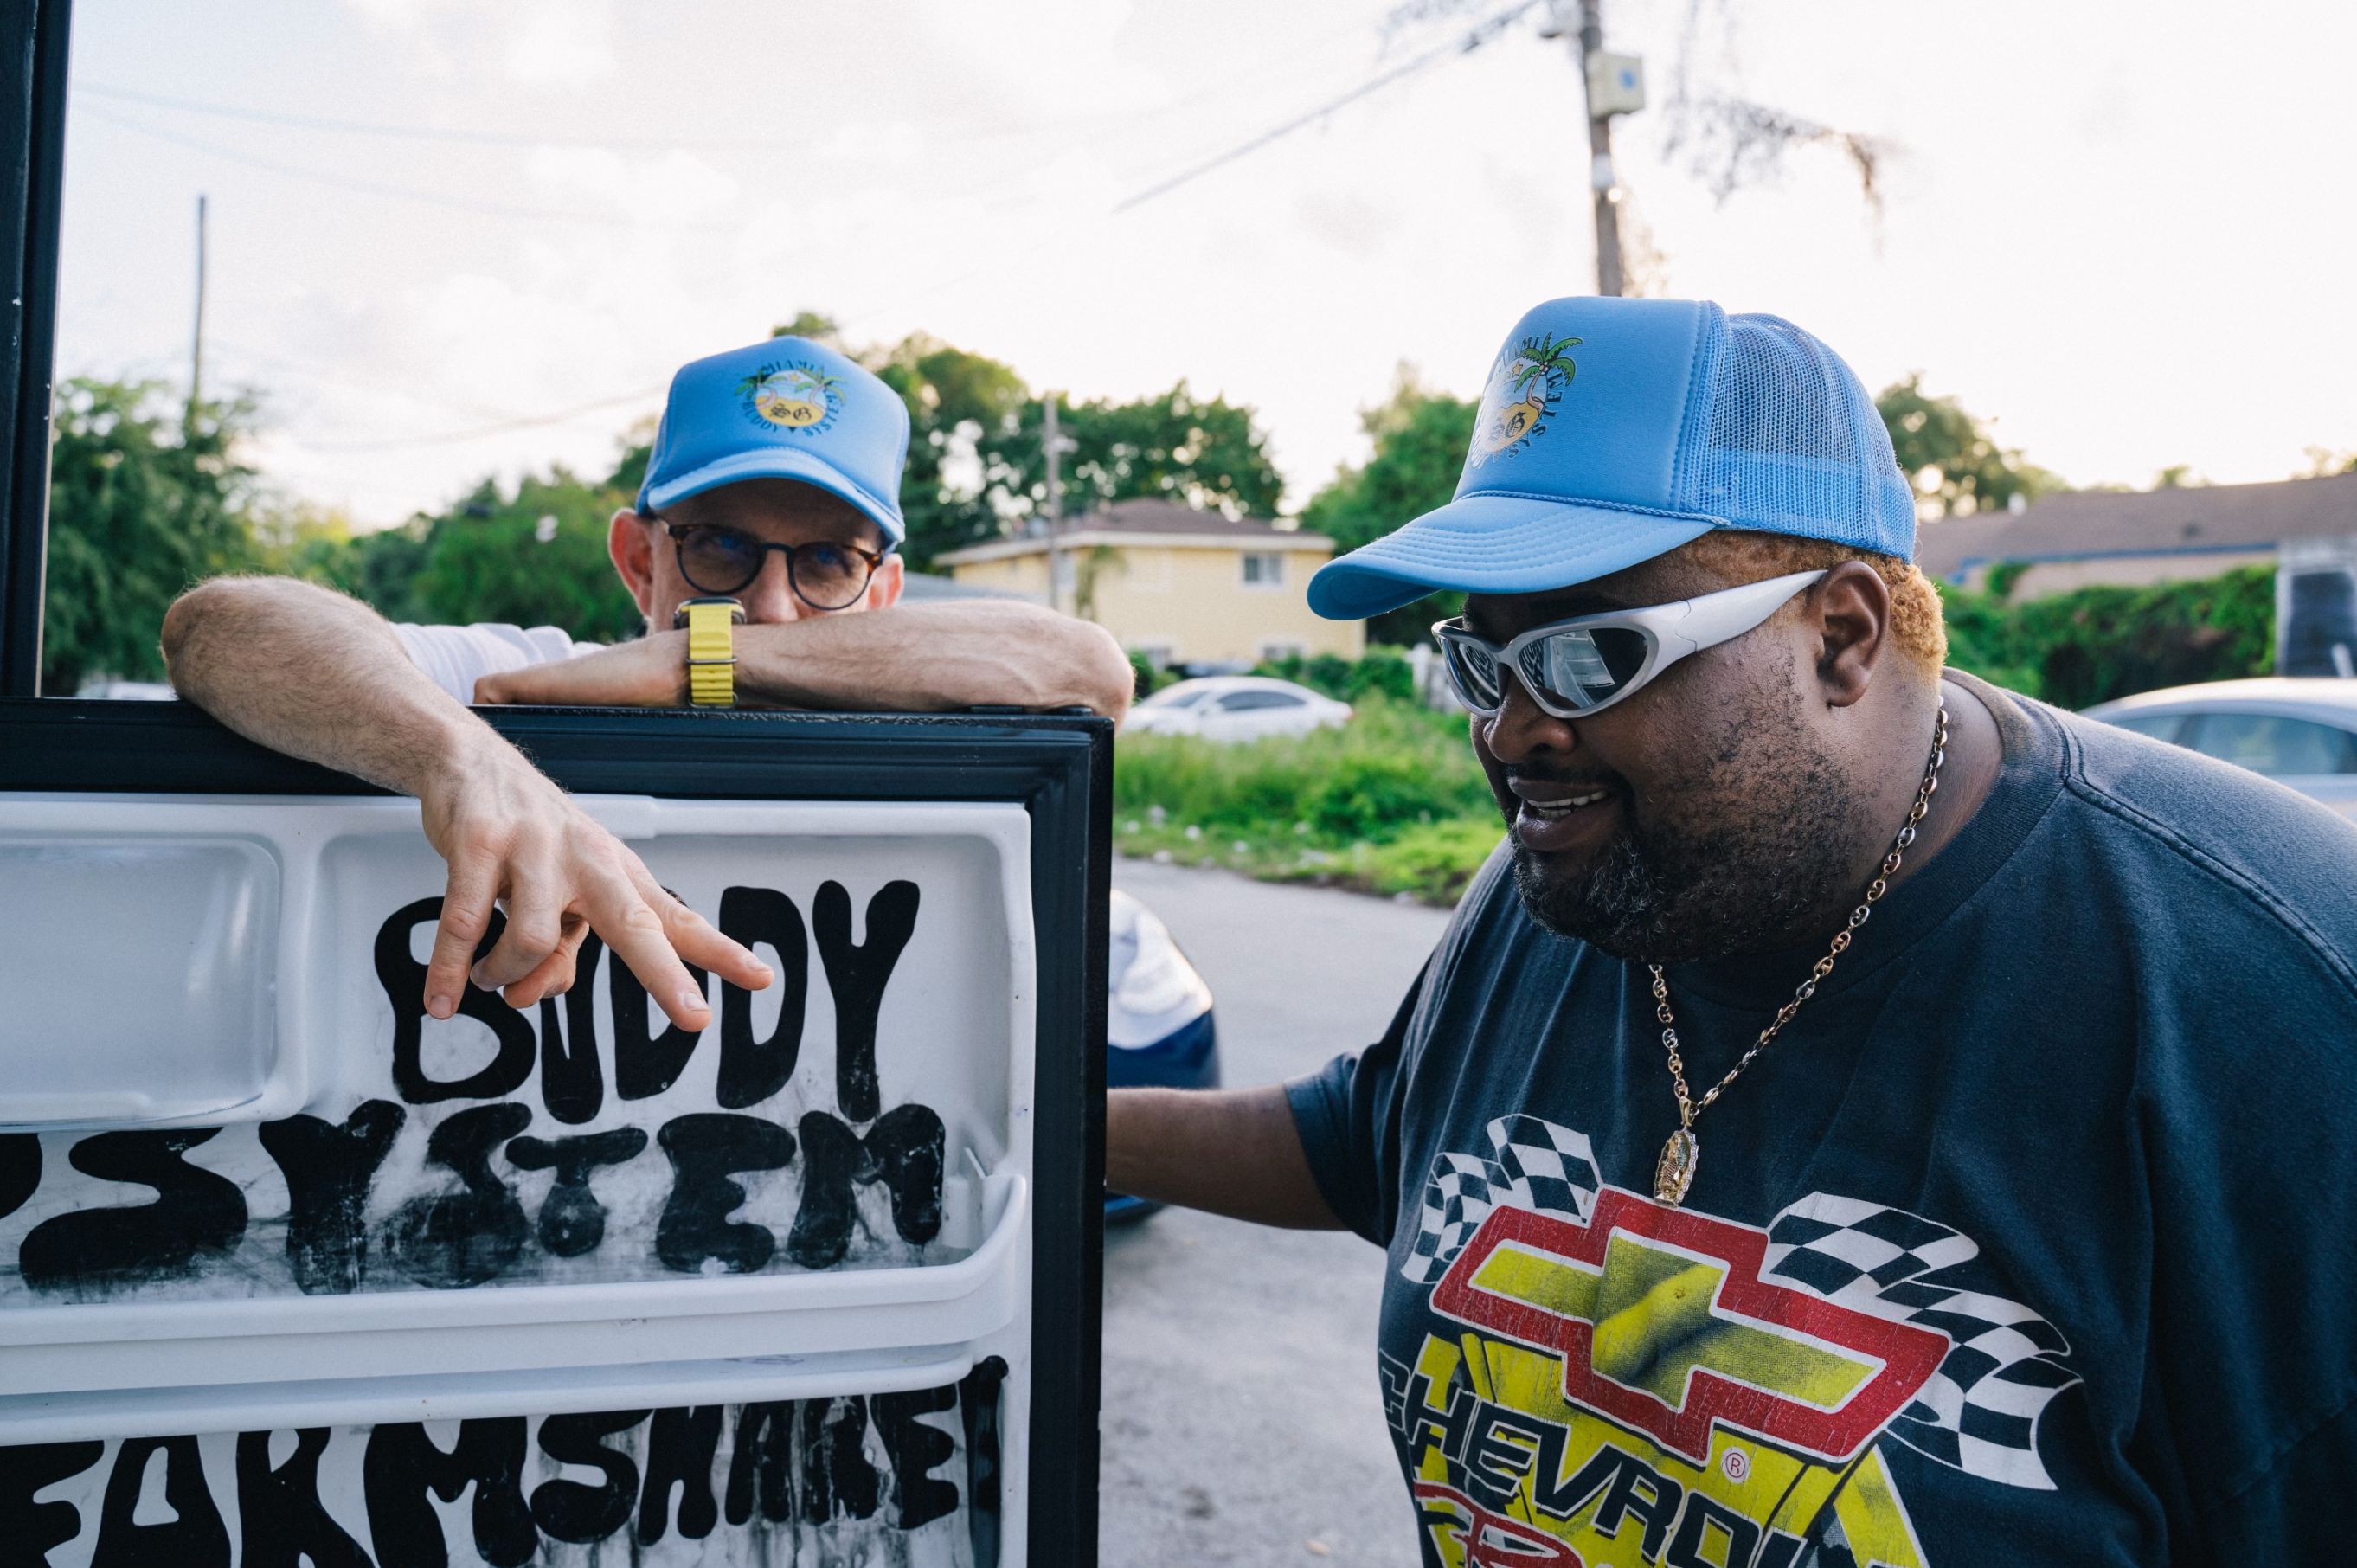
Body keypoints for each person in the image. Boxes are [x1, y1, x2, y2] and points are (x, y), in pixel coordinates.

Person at [1108, 299, 2357, 1564]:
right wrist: (1024, 1112)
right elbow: (1384, 1141)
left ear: (1843, 635)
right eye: (1483, 664)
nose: (1512, 730)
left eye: (1591, 655)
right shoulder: (1592, 865)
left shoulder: (2261, 997)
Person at [164, 336, 1133, 1036]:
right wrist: (460, 759)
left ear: (881, 589)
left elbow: (1089, 671)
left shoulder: (912, 715)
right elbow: (219, 628)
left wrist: (693, 662)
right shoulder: (523, 681)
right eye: (720, 547)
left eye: (828, 563)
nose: (771, 605)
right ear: (638, 559)